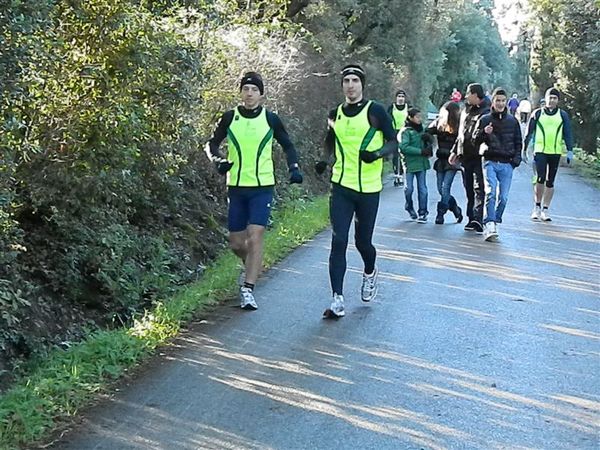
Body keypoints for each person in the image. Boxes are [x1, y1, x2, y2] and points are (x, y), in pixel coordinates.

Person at [205, 71, 303, 310]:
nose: (249, 94)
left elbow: (288, 145)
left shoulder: (271, 119)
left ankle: (248, 289)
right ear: (241, 92)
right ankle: (251, 264)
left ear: (261, 94)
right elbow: (211, 144)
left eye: (254, 90)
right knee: (237, 244)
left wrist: (294, 168)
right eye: (246, 89)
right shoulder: (230, 117)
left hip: (262, 187)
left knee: (255, 234)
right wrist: (217, 160)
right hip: (237, 187)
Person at [316, 64, 397, 318]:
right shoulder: (335, 114)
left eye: (355, 81)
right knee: (339, 240)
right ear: (342, 85)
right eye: (346, 81)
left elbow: (393, 141)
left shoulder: (375, 111)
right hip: (341, 186)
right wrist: (324, 160)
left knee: (363, 242)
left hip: (369, 189)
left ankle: (370, 271)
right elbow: (331, 141)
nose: (350, 85)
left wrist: (376, 154)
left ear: (362, 84)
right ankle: (337, 299)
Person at [475, 88, 522, 241]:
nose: (500, 103)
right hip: (490, 162)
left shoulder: (513, 121)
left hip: (507, 164)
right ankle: (489, 224)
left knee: (504, 197)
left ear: (506, 102)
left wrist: (516, 160)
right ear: (493, 102)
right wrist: (484, 132)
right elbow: (474, 140)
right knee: (490, 192)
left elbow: (518, 142)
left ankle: (496, 219)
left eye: (503, 100)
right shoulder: (485, 119)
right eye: (497, 101)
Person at [525, 87, 574, 221]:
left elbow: (568, 133)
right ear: (545, 99)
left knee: (550, 181)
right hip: (540, 151)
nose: (552, 100)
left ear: (558, 100)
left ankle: (546, 209)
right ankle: (537, 206)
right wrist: (524, 149)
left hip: (555, 151)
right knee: (540, 178)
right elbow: (528, 132)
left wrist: (570, 150)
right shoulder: (538, 114)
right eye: (550, 97)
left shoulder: (562, 115)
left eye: (554, 98)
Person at [449, 83, 490, 233]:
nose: (466, 96)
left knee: (479, 187)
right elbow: (461, 134)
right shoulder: (465, 110)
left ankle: (477, 219)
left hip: (479, 155)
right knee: (468, 187)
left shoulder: (486, 112)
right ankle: (470, 217)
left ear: (476, 95)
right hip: (465, 155)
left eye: (468, 93)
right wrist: (455, 151)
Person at [427, 101, 463, 225]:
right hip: (441, 159)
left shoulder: (459, 126)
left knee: (445, 187)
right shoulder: (439, 123)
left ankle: (440, 213)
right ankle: (455, 209)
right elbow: (427, 131)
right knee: (440, 189)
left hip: (452, 160)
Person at [388, 89, 409, 187]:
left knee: (403, 154)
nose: (401, 98)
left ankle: (402, 174)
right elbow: (387, 119)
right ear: (396, 98)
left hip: (405, 133)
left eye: (402, 97)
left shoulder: (408, 108)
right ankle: (397, 175)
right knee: (395, 155)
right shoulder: (391, 108)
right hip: (394, 132)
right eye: (399, 96)